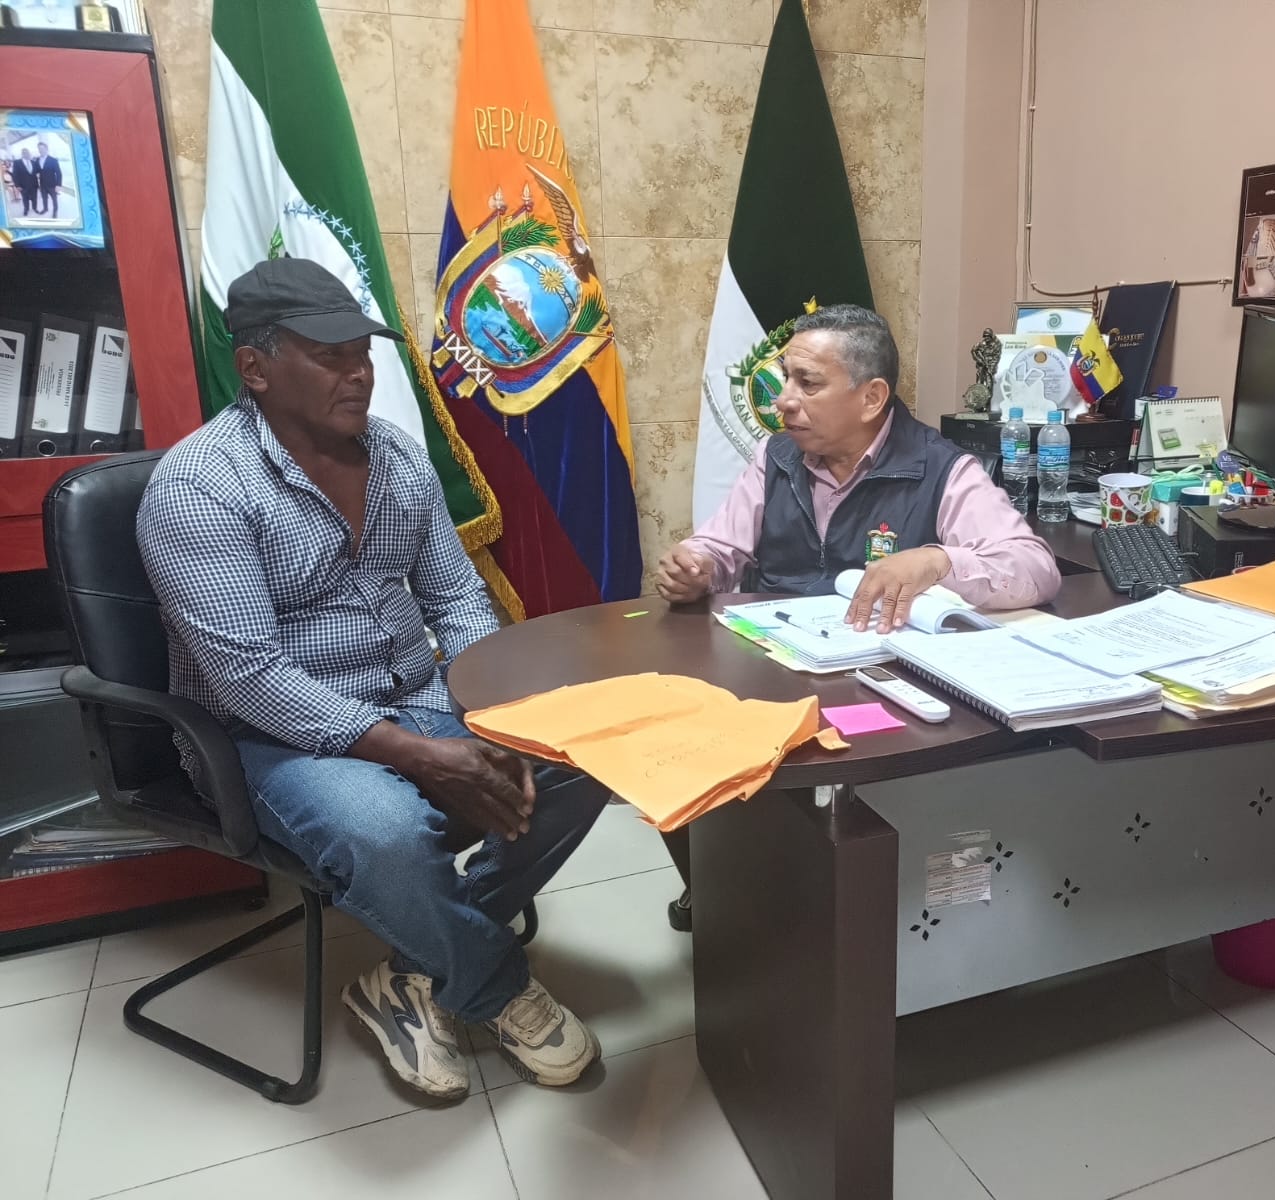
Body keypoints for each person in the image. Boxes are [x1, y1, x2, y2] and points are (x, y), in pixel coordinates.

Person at [137, 258, 610, 1100]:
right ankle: (492, 983)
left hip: (418, 694)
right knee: (386, 832)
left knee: (580, 753)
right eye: (330, 356)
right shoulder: (199, 487)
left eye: (363, 352)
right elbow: (250, 678)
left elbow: (456, 598)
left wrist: (493, 715)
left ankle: (412, 970)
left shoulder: (395, 454)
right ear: (254, 367)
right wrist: (421, 756)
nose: (359, 373)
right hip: (269, 737)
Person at [654, 303, 1062, 927]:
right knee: (668, 739)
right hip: (773, 666)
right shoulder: (777, 457)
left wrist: (939, 561)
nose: (784, 401)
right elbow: (720, 547)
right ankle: (717, 880)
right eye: (786, 379)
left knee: (847, 821)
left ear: (871, 398)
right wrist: (696, 566)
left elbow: (1034, 566)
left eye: (807, 383)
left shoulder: (941, 469)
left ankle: (804, 908)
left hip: (879, 687)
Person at [34, 140, 61, 219]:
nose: (40, 150)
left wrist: (58, 185)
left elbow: (59, 173)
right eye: (39, 149)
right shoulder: (37, 160)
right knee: (44, 198)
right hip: (42, 184)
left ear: (46, 149)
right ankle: (45, 209)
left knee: (54, 199)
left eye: (42, 148)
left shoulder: (53, 160)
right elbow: (37, 170)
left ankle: (55, 211)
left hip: (52, 184)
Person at [11, 148, 38, 218]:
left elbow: (36, 172)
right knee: (25, 199)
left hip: (34, 185)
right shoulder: (17, 162)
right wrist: (17, 185)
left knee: (34, 198)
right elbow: (15, 175)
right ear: (22, 154)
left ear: (29, 153)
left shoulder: (33, 162)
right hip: (23, 186)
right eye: (24, 152)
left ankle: (34, 208)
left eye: (27, 152)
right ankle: (26, 209)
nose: (26, 154)